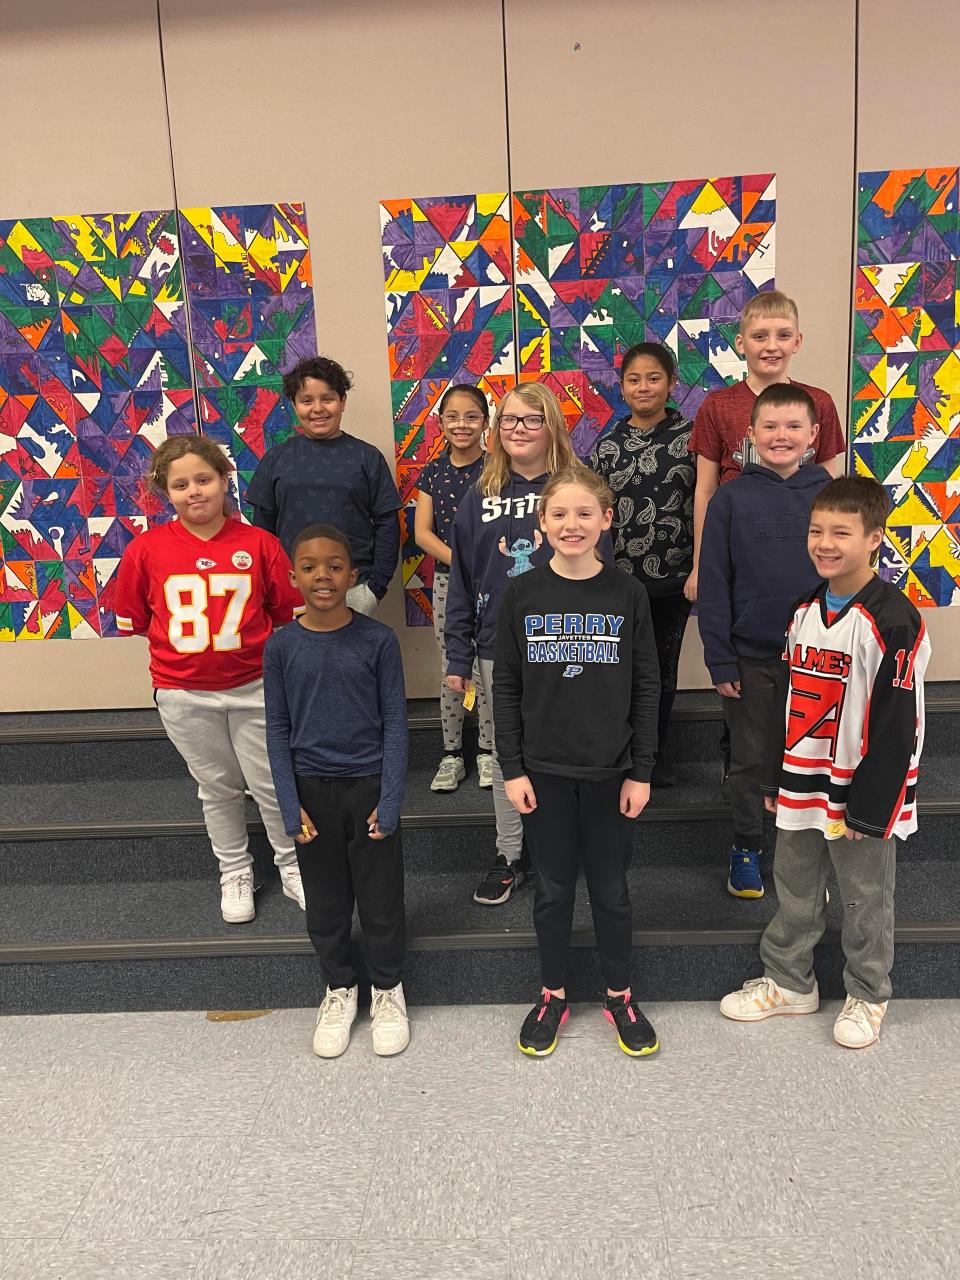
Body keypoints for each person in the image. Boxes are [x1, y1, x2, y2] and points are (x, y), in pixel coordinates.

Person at [721, 477, 929, 1049]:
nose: (825, 542)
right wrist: (773, 774)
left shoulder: (894, 618)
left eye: (842, 531)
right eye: (817, 530)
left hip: (861, 785)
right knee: (795, 879)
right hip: (802, 776)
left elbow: (896, 719)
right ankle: (790, 982)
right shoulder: (804, 610)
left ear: (874, 539)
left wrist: (873, 802)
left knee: (864, 892)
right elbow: (784, 699)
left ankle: (868, 993)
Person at [494, 466, 661, 1056]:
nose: (572, 524)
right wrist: (511, 768)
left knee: (612, 892)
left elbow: (646, 685)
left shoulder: (627, 593)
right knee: (553, 892)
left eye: (585, 513)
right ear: (541, 524)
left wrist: (642, 770)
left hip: (612, 774)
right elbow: (506, 686)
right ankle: (553, 995)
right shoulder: (521, 593)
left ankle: (620, 995)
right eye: (559, 514)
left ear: (606, 521)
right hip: (542, 774)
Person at [113, 434, 305, 924]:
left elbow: (284, 613)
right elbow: (137, 619)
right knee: (216, 786)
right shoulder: (145, 550)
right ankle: (235, 870)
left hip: (256, 687)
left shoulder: (259, 544)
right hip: (184, 693)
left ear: (224, 481)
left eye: (204, 479)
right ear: (165, 492)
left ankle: (291, 863)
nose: (194, 491)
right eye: (181, 484)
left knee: (270, 782)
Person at [686, 290, 846, 791]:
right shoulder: (719, 405)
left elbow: (832, 492)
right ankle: (743, 779)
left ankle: (791, 796)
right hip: (739, 550)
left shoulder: (819, 401)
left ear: (797, 341)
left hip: (799, 562)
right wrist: (697, 565)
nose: (770, 345)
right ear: (741, 343)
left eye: (781, 336)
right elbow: (706, 488)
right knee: (746, 706)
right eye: (759, 336)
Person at [263, 523, 409, 1058]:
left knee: (380, 900)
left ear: (352, 574)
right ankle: (340, 987)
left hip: (369, 787)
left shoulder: (378, 641)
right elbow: (276, 728)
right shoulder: (280, 647)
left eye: (334, 565)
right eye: (309, 566)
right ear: (293, 575)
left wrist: (390, 800)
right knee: (325, 902)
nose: (322, 575)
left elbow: (396, 722)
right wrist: (288, 800)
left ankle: (388, 987)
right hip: (311, 795)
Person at [444, 382, 578, 905]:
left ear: (551, 427)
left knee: (562, 747)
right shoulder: (481, 492)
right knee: (507, 754)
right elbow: (462, 576)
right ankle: (509, 854)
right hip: (497, 645)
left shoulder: (572, 486)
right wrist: (458, 653)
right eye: (509, 420)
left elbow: (603, 572)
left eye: (531, 419)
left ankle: (557, 847)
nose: (518, 429)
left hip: (566, 641)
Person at [697, 384, 831, 898]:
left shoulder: (828, 493)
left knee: (810, 756)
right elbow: (714, 581)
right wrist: (719, 659)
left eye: (794, 426)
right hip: (750, 656)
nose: (782, 436)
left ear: (813, 435)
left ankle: (803, 857)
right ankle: (747, 845)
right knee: (751, 759)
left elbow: (847, 575)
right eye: (770, 427)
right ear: (750, 435)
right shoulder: (730, 498)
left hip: (819, 660)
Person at [588, 342, 694, 786]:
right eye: (634, 379)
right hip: (621, 581)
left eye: (654, 378)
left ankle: (657, 754)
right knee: (622, 669)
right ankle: (624, 753)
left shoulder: (694, 437)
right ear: (622, 386)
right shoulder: (608, 444)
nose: (644, 386)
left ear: (671, 383)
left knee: (661, 670)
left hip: (674, 579)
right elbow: (593, 510)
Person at [246, 355, 401, 615]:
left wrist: (375, 587)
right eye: (306, 401)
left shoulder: (367, 457)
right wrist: (274, 587)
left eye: (327, 399)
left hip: (355, 590)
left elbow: (388, 524)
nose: (317, 408)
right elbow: (262, 532)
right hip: (292, 592)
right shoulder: (276, 459)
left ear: (342, 402)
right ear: (295, 405)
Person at [414, 384, 495, 793]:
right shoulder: (433, 471)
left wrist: (483, 566)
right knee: (453, 667)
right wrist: (462, 563)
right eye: (453, 416)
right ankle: (450, 753)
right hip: (449, 583)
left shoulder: (499, 469)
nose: (461, 424)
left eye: (471, 416)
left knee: (490, 664)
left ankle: (487, 749)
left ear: (485, 421)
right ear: (441, 421)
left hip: (494, 582)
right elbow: (422, 534)